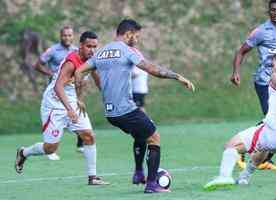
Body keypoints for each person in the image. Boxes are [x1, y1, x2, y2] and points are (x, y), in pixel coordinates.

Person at [75, 19, 195, 193]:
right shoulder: (127, 50)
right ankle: (152, 184)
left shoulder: (100, 52)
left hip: (110, 114)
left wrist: (79, 98)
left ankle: (139, 173)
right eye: (136, 36)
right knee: (154, 137)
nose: (137, 40)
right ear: (129, 34)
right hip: (126, 110)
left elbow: (79, 71)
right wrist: (177, 77)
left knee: (141, 135)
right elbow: (152, 69)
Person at [204, 50, 276, 191]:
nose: (272, 67)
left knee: (230, 146)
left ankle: (224, 176)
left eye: (273, 64)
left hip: (274, 131)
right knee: (263, 146)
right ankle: (244, 177)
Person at [15, 31, 108, 185]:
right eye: (88, 46)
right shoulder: (71, 62)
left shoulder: (92, 61)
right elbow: (58, 86)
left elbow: (94, 81)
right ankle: (24, 152)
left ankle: (93, 177)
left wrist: (80, 99)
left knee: (89, 136)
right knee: (50, 148)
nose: (92, 50)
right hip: (54, 104)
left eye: (94, 47)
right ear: (81, 46)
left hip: (70, 101)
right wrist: (70, 109)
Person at [230, 0, 276, 170]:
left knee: (274, 120)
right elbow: (241, 51)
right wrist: (236, 72)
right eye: (273, 10)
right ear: (269, 12)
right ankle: (241, 151)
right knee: (270, 117)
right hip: (264, 81)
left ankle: (265, 159)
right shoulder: (261, 31)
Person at [34, 26, 84, 160]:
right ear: (60, 36)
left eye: (69, 35)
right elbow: (37, 65)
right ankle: (50, 148)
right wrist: (51, 73)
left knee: (78, 114)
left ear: (73, 36)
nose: (67, 38)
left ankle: (81, 144)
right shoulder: (53, 50)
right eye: (64, 35)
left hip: (71, 91)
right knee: (56, 118)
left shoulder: (75, 51)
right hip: (55, 92)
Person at [132, 48, 149, 112]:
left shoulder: (139, 67)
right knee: (140, 107)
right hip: (141, 90)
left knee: (139, 107)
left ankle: (145, 120)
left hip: (138, 90)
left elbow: (134, 75)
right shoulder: (144, 66)